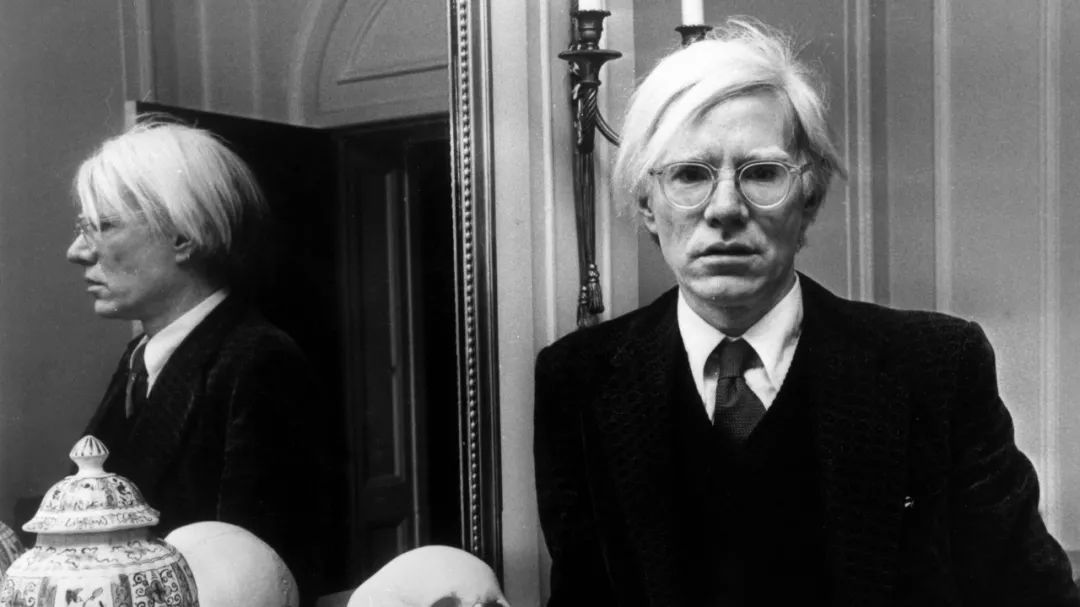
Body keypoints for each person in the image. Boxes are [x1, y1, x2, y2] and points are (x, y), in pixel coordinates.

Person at [533, 18, 1079, 606]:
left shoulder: (937, 368)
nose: (724, 208)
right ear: (646, 203)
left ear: (810, 197)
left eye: (762, 173)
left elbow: (1033, 595)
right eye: (689, 174)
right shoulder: (578, 380)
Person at [66, 120, 329, 603]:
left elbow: (262, 580)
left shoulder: (258, 362)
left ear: (183, 237)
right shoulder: (140, 360)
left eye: (103, 226)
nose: (77, 252)